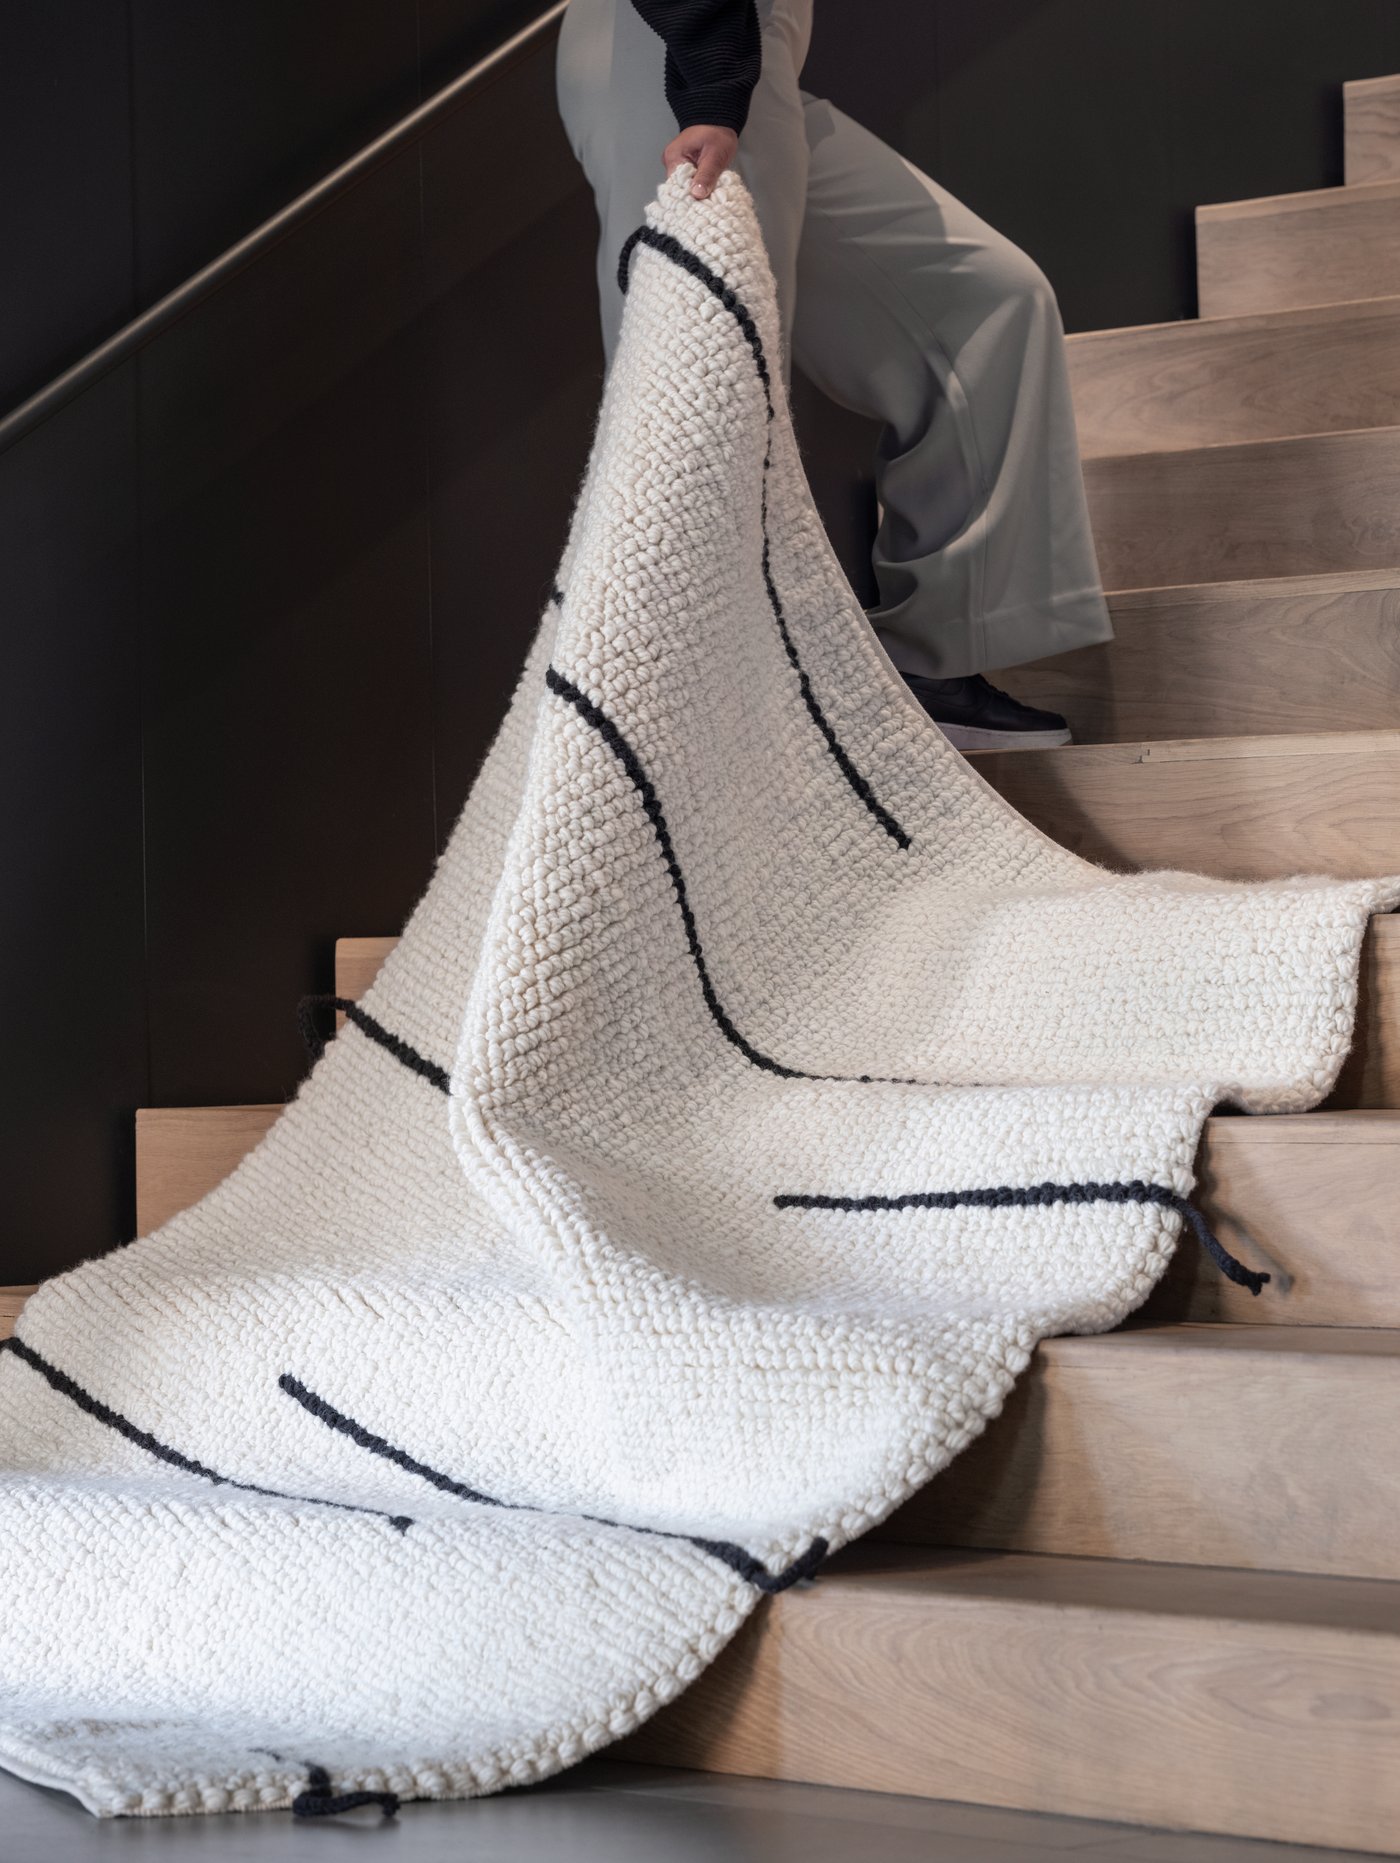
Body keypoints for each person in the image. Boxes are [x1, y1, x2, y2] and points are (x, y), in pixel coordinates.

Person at [555, 0, 1117, 751]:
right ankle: (674, 760)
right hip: (679, 42)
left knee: (984, 306)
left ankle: (932, 669)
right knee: (698, 407)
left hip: (749, 54)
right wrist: (712, 87)